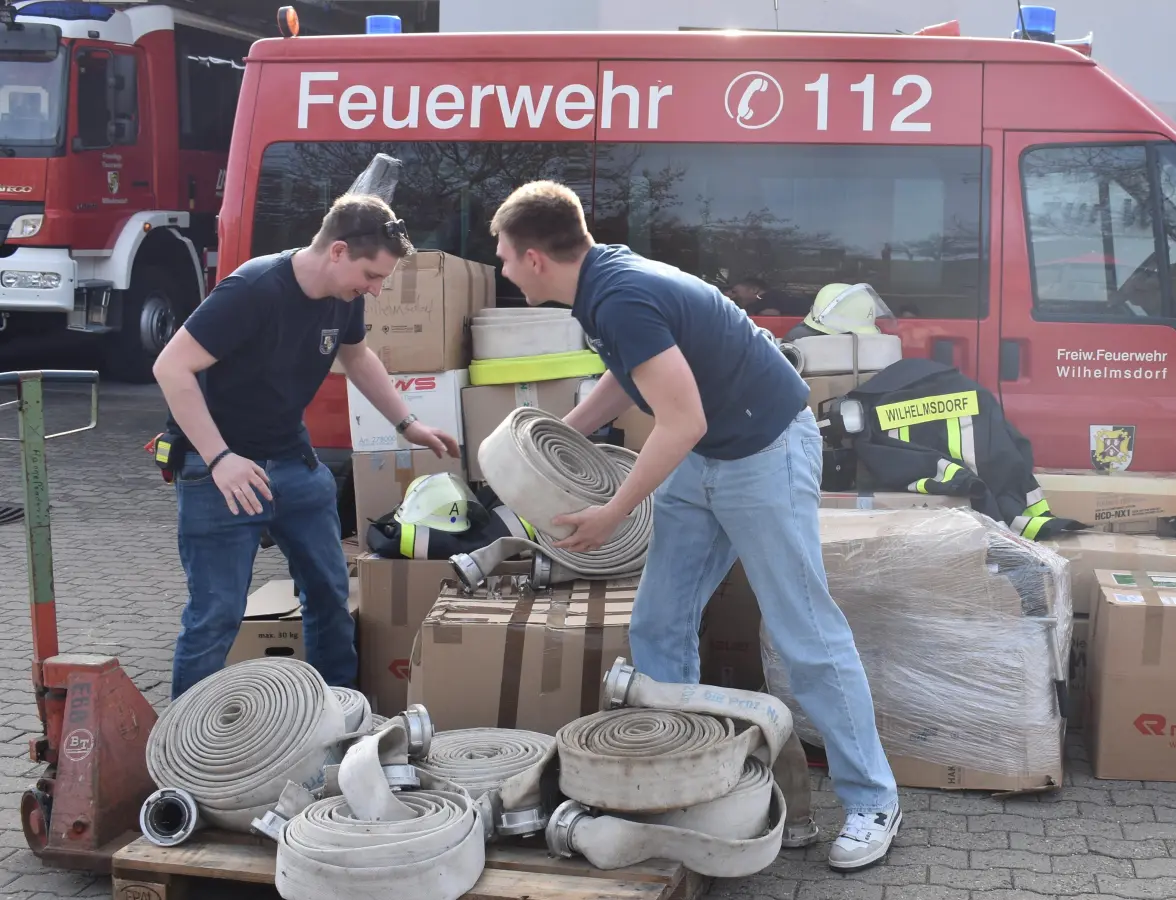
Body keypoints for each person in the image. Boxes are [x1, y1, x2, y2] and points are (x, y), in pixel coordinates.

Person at [489, 180, 902, 872]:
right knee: (658, 622)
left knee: (804, 632)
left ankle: (873, 800)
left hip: (763, 450)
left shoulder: (618, 295)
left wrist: (613, 512)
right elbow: (628, 378)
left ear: (534, 258)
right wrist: (552, 440)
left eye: (502, 256)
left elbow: (682, 419)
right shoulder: (599, 285)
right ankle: (679, 780)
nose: (499, 269)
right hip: (705, 456)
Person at [152, 194, 460, 699]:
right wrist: (220, 459)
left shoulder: (346, 295)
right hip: (221, 476)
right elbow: (171, 366)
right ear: (337, 251)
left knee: (329, 595)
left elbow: (358, 358)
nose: (377, 290)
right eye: (372, 275)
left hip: (294, 464)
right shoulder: (252, 289)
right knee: (216, 616)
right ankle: (186, 754)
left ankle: (337, 716)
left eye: (381, 280)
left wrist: (409, 425)